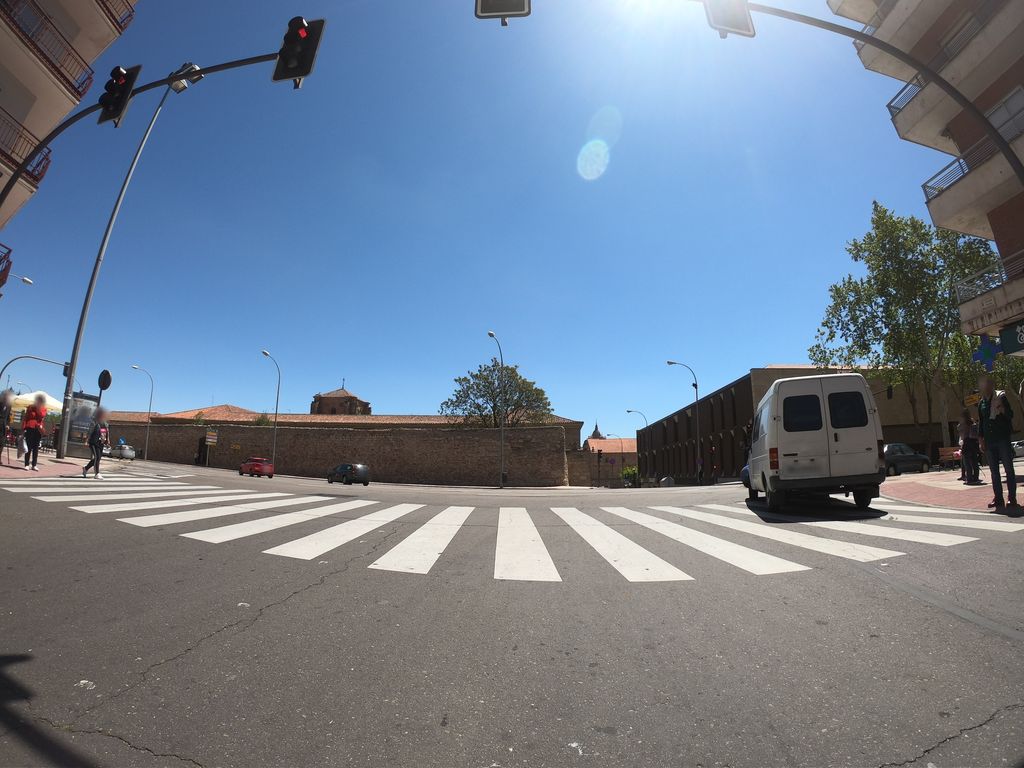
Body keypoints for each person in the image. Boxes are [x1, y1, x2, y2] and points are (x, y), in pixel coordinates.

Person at [978, 375, 1016, 510]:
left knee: (1009, 470)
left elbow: (1011, 415)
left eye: (987, 384)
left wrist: (1002, 409)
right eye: (982, 384)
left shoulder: (1001, 397)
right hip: (989, 442)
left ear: (991, 386)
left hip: (1002, 439)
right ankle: (998, 499)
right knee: (994, 472)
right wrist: (981, 440)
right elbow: (981, 423)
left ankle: (1012, 499)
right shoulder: (981, 403)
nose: (985, 387)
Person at [21, 394, 47, 471]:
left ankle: (34, 465)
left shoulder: (43, 408)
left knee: (35, 448)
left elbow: (42, 415)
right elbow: (26, 417)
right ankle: (26, 464)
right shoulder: (30, 407)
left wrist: (37, 408)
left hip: (38, 429)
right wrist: (23, 428)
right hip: (30, 428)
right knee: (28, 447)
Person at [82, 408, 109, 480]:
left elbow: (107, 431)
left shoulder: (105, 423)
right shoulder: (94, 422)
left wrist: (107, 440)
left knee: (98, 458)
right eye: (101, 414)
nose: (103, 415)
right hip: (93, 442)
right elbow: (90, 431)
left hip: (101, 442)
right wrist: (86, 440)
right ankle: (97, 473)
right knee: (97, 457)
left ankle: (86, 468)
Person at [957, 408, 981, 485]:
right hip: (973, 444)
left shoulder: (962, 425)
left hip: (966, 443)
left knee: (967, 463)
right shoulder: (972, 422)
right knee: (974, 462)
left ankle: (969, 479)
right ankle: (976, 477)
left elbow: (961, 434)